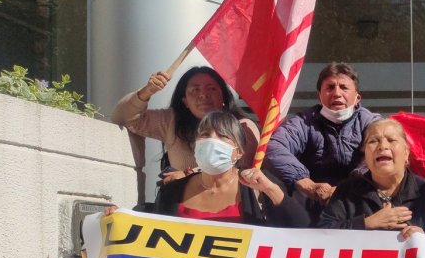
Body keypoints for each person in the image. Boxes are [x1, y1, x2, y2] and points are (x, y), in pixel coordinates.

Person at [152, 111, 308, 227]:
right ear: (195, 146)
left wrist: (270, 190)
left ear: (239, 151)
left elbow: (301, 226)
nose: (212, 140)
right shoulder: (171, 191)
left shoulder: (259, 185)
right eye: (205, 134)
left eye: (223, 136)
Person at [111, 66, 259, 183]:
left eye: (212, 88)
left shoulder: (243, 126)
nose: (203, 95)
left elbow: (241, 166)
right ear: (185, 101)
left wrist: (187, 174)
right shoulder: (171, 120)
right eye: (195, 90)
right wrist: (147, 91)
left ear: (224, 98)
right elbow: (123, 117)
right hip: (181, 206)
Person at [264, 62, 380, 208]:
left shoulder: (371, 122)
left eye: (344, 87)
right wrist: (306, 184)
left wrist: (348, 187)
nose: (337, 93)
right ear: (319, 97)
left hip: (359, 200)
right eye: (330, 87)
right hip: (313, 202)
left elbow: (384, 150)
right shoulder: (304, 122)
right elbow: (273, 146)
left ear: (357, 98)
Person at [318, 119, 425, 239]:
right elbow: (323, 234)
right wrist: (366, 223)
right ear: (365, 155)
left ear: (406, 152)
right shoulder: (346, 191)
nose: (382, 146)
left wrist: (424, 239)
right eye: (373, 141)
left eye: (391, 140)